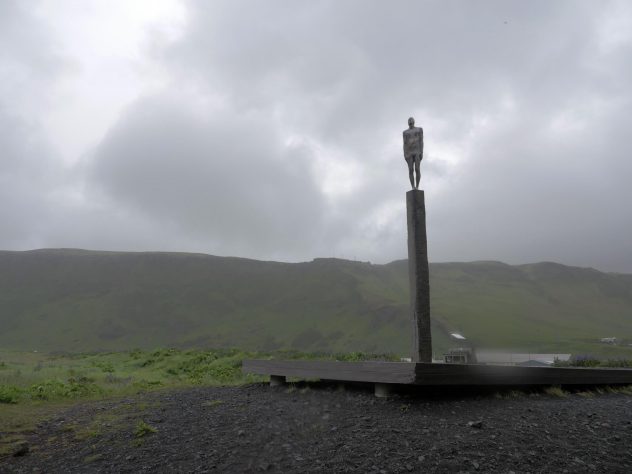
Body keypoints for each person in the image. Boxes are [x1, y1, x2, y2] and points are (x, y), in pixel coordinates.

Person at [403, 117, 424, 189]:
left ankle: (417, 186)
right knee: (410, 169)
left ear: (414, 121)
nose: (410, 122)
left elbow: (421, 141)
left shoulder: (419, 129)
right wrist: (405, 154)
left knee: (417, 169)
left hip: (417, 151)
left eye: (411, 121)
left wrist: (421, 151)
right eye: (409, 121)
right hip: (409, 152)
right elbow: (404, 144)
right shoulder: (405, 132)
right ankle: (413, 186)